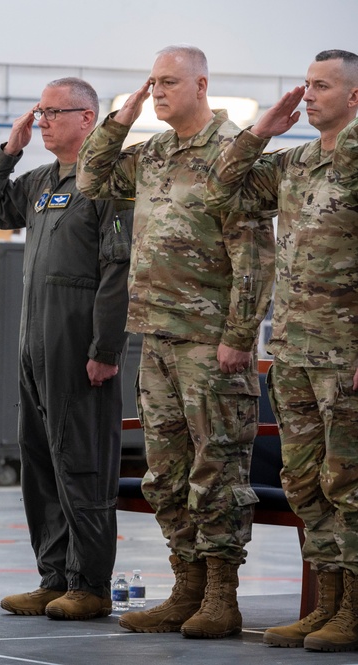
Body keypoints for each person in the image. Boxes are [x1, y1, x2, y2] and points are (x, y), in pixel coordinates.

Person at [76, 45, 276, 639]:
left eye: (168, 83)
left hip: (211, 343)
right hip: (156, 337)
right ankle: (185, 587)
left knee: (217, 469)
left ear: (202, 84)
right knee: (166, 474)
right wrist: (120, 117)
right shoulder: (157, 152)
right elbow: (91, 179)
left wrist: (240, 336)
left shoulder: (231, 154)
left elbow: (255, 255)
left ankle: (221, 595)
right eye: (152, 83)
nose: (158, 92)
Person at [204, 50, 358, 652]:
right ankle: (328, 606)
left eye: (322, 86)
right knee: (305, 482)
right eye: (306, 84)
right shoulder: (294, 162)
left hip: (345, 352)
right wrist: (259, 133)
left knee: (349, 482)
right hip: (293, 351)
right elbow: (221, 193)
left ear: (354, 97)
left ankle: (354, 609)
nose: (308, 94)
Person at [0, 77, 132, 621]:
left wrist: (106, 347)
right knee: (39, 464)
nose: (43, 121)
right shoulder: (39, 180)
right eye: (39, 112)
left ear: (88, 119)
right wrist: (7, 152)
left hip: (79, 344)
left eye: (54, 113)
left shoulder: (108, 181)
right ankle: (53, 576)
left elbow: (117, 271)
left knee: (82, 464)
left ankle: (90, 584)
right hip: (34, 346)